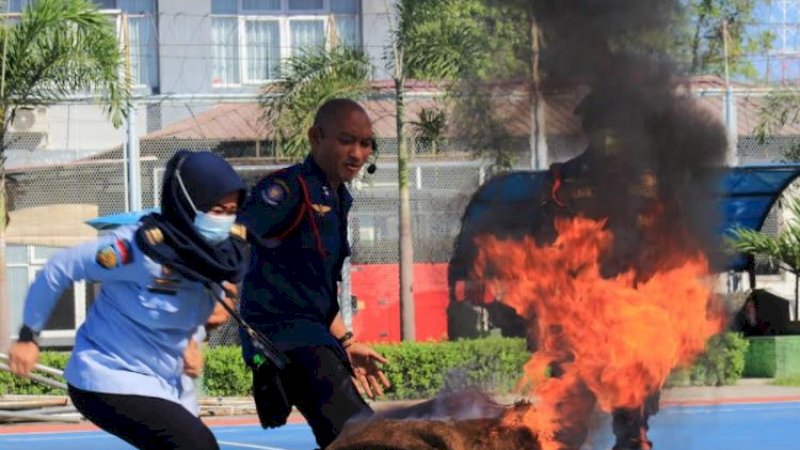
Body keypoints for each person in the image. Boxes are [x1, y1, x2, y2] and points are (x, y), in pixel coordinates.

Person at [8, 150, 249, 450]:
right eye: (216, 210)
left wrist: (194, 339)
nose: (224, 220)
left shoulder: (220, 256)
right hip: (108, 375)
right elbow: (60, 268)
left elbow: (191, 311)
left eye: (231, 211)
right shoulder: (136, 249)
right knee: (196, 446)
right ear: (189, 204)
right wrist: (29, 335)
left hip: (170, 382)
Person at [238, 98, 391, 449]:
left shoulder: (339, 199)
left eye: (366, 143)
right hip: (285, 338)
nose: (357, 153)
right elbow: (231, 240)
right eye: (346, 140)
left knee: (351, 438)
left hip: (314, 337)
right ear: (315, 137)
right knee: (364, 438)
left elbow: (317, 291)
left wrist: (347, 343)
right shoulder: (288, 189)